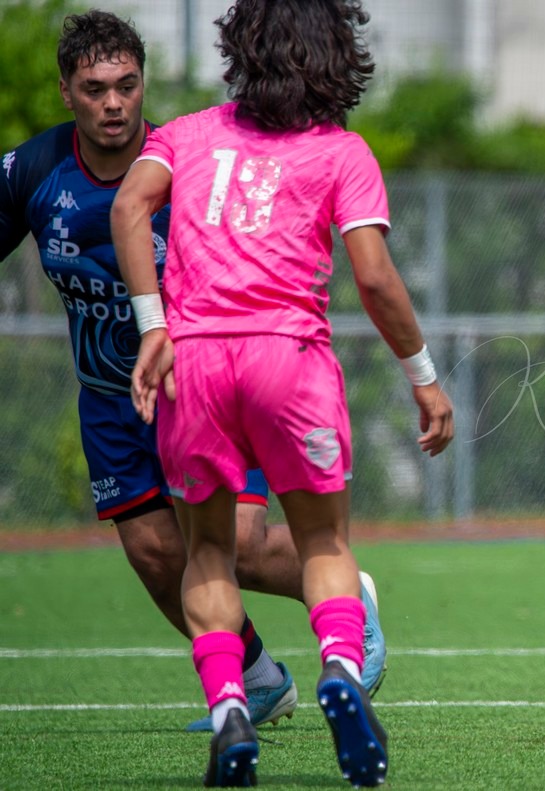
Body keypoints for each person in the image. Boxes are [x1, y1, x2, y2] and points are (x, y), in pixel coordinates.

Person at [0, 8, 388, 735]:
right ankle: (259, 680)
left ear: (144, 83)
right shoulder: (33, 170)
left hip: (201, 382)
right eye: (94, 88)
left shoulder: (187, 157)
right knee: (154, 555)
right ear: (66, 92)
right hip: (110, 399)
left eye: (126, 85)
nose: (113, 102)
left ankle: (339, 595)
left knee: (232, 545)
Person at [111, 0, 454, 785]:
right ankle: (337, 664)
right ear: (337, 56)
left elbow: (129, 207)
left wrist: (151, 325)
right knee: (326, 543)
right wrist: (424, 378)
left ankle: (231, 704)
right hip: (287, 361)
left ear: (241, 49)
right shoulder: (341, 151)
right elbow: (372, 275)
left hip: (191, 363)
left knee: (206, 548)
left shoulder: (186, 133)